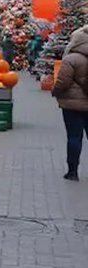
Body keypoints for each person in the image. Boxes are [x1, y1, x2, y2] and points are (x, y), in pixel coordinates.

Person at [53, 26, 88, 181]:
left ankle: (72, 172)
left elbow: (63, 82)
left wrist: (56, 92)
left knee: (74, 137)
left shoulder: (71, 59)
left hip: (72, 106)